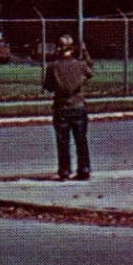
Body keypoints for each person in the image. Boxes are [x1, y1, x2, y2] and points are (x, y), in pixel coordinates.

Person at [43, 34, 95, 180]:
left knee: (63, 142)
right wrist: (85, 52)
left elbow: (48, 86)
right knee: (81, 141)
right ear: (72, 48)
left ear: (58, 48)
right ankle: (84, 169)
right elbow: (90, 71)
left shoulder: (53, 67)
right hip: (78, 106)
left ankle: (65, 170)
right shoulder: (80, 65)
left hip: (61, 108)